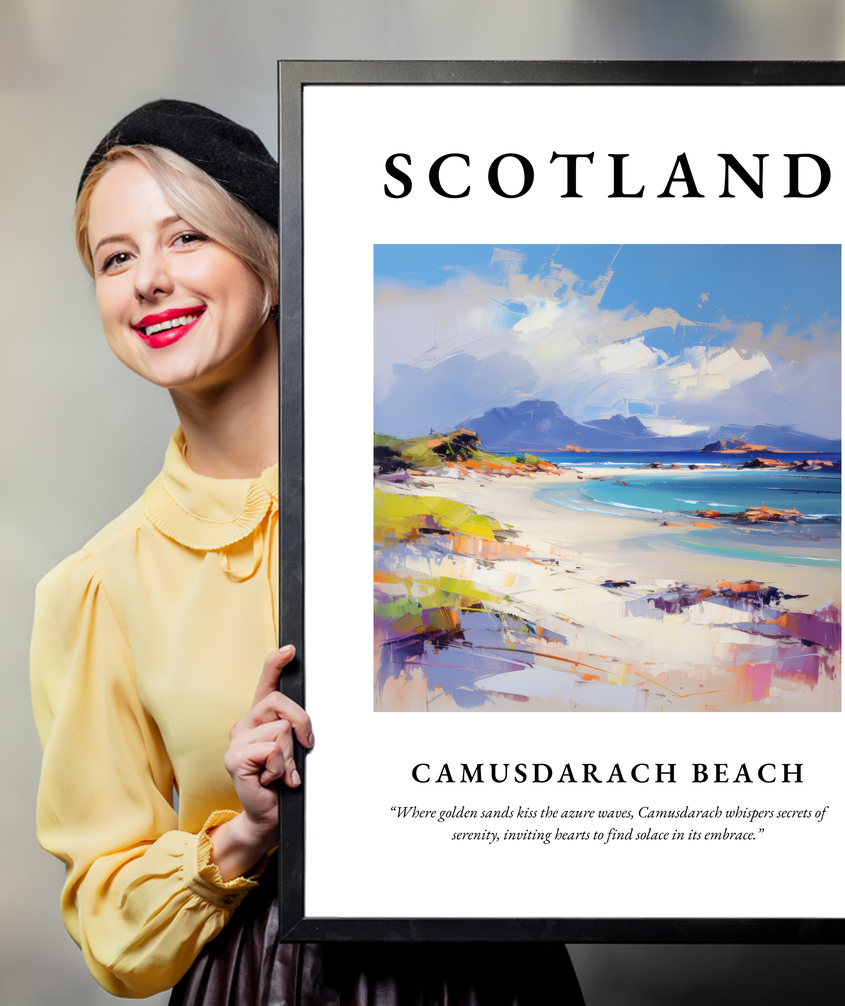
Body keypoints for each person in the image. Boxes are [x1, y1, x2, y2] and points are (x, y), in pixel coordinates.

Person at [30, 100, 586, 1004]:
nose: (148, 281)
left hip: (493, 973)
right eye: (116, 257)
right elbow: (110, 923)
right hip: (262, 982)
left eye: (185, 238)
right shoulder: (97, 587)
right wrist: (245, 832)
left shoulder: (446, 508)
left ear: (272, 263)